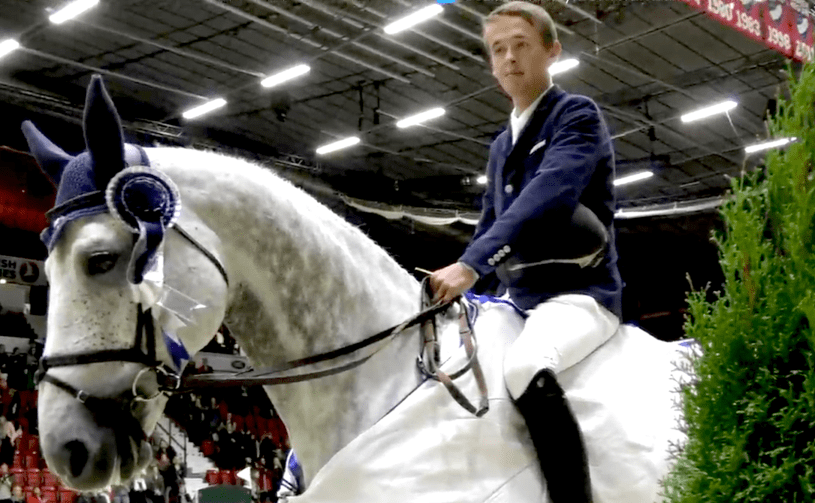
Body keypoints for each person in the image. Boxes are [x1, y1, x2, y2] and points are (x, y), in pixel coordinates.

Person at [429, 2, 623, 502]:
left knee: (523, 367)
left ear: (552, 51)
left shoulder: (577, 114)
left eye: (521, 45)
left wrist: (471, 266)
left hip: (579, 296)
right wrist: (463, 290)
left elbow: (548, 196)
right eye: (498, 50)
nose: (509, 58)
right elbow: (490, 224)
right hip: (517, 299)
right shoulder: (500, 146)